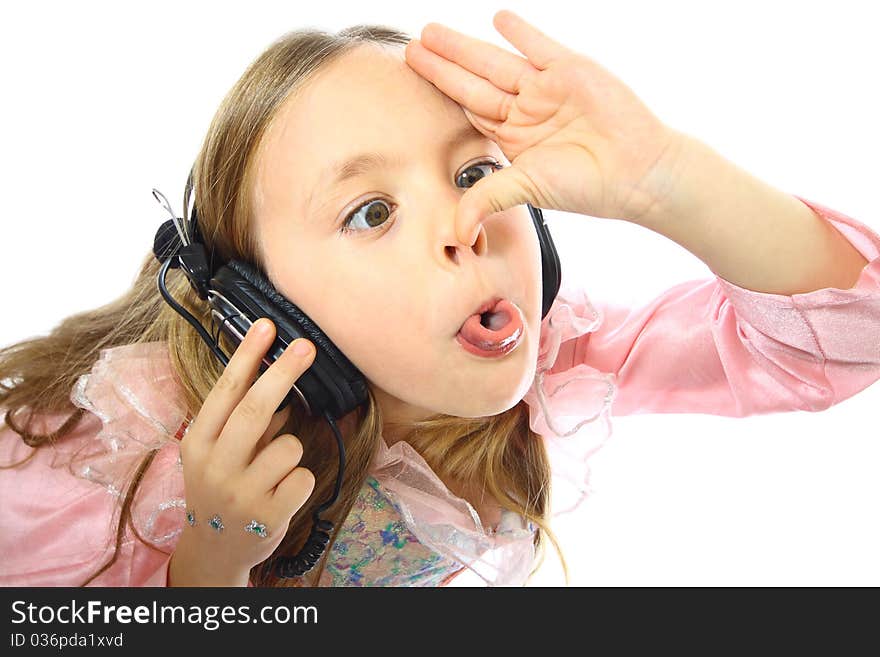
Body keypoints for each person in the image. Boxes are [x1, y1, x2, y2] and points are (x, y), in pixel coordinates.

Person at [1, 10, 879, 587]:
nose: (467, 223)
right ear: (258, 301)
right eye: (372, 211)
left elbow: (844, 334)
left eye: (473, 171)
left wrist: (665, 180)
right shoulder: (151, 456)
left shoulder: (554, 362)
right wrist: (211, 560)